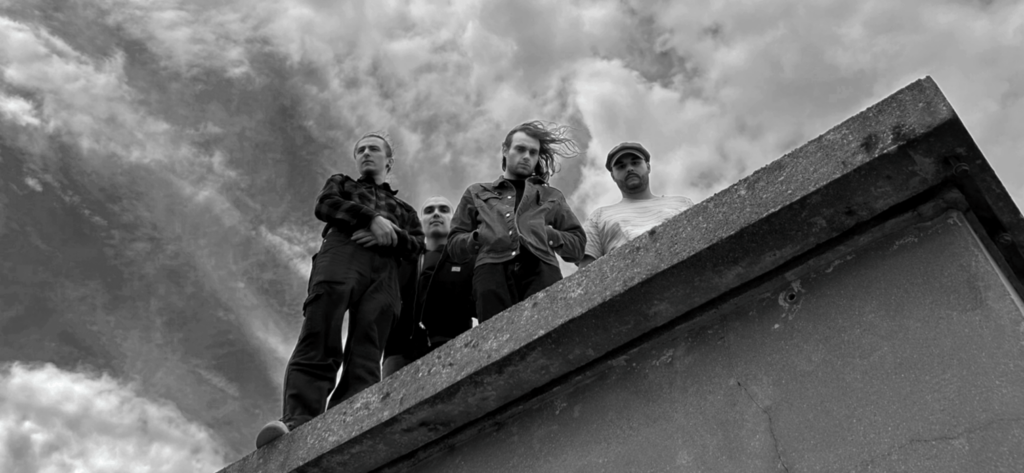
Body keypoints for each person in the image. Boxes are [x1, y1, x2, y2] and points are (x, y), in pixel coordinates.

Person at [256, 131, 424, 448]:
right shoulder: (343, 184)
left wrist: (387, 234)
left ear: (389, 162)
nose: (366, 153)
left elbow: (417, 244)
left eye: (373, 149)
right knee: (320, 329)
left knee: (368, 345)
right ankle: (297, 420)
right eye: (360, 150)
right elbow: (325, 205)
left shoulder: (405, 210)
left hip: (385, 271)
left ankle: (353, 417)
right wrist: (370, 219)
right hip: (341, 254)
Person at [448, 121, 586, 322]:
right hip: (491, 272)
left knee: (545, 332)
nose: (527, 156)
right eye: (520, 149)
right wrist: (478, 237)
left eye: (533, 152)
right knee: (495, 337)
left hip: (542, 269)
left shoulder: (551, 196)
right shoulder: (476, 192)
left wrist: (549, 234)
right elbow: (453, 246)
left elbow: (578, 247)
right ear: (505, 150)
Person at [382, 196, 476, 376]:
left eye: (443, 210)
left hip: (452, 345)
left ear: (454, 220)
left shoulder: (468, 260)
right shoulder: (400, 262)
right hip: (399, 352)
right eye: (429, 211)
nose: (436, 214)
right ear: (420, 222)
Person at [578, 142, 693, 268]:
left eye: (635, 162)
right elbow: (586, 270)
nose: (629, 169)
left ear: (648, 167)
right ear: (613, 176)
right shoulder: (599, 217)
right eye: (621, 166)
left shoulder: (683, 204)